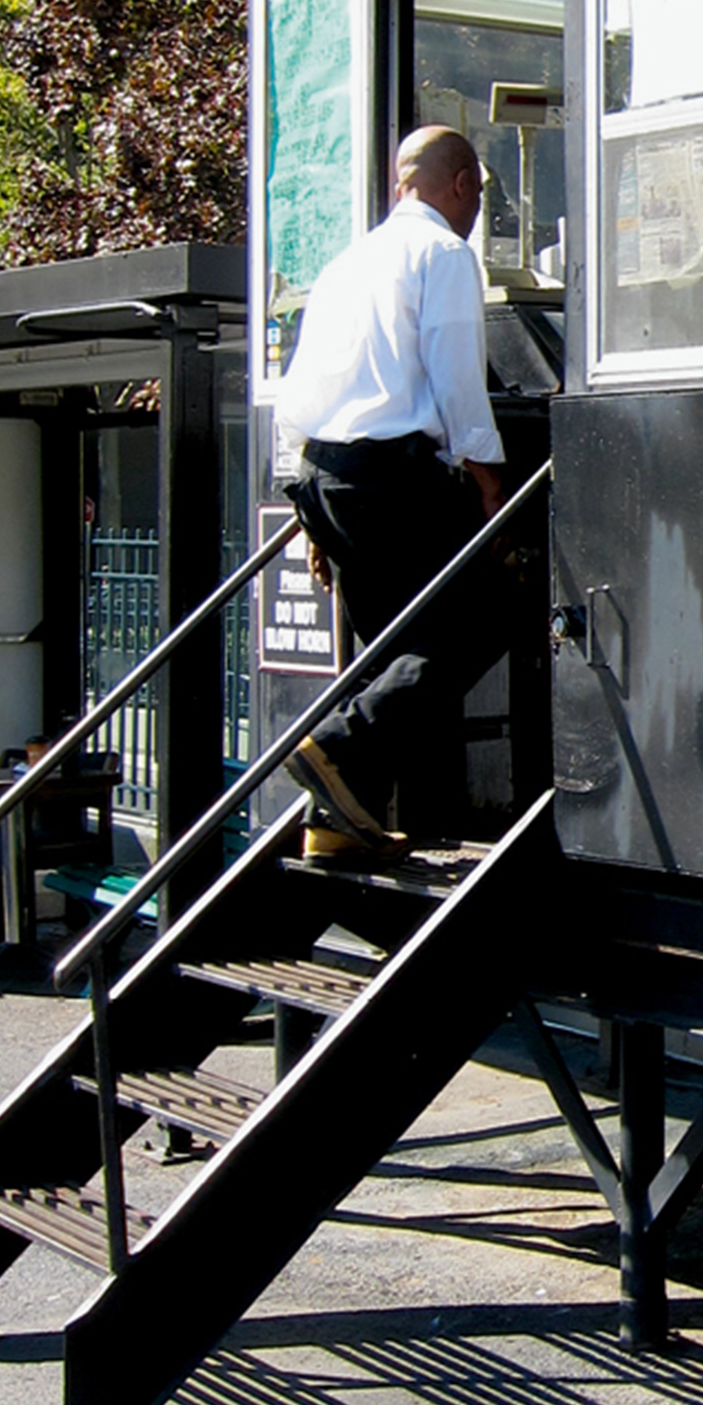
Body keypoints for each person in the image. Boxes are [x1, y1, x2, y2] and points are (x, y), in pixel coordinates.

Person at [274, 125, 514, 860]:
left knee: (388, 650)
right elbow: (456, 378)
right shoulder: (443, 252)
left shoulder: (347, 262)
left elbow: (298, 395)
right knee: (481, 620)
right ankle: (341, 748)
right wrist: (488, 478)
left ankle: (337, 820)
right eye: (479, 196)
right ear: (463, 185)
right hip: (391, 475)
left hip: (325, 475)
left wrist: (306, 515)